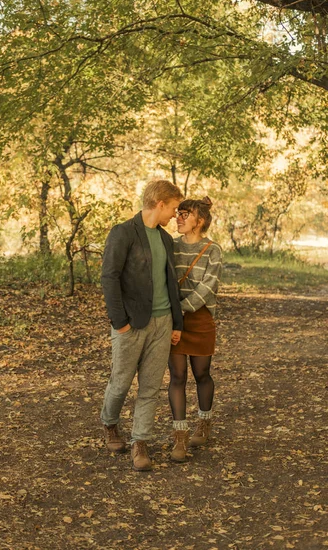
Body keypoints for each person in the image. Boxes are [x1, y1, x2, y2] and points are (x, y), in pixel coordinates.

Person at [100, 180, 184, 471]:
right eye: (173, 208)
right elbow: (109, 278)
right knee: (121, 383)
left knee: (150, 388)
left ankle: (140, 443)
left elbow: (170, 282)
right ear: (160, 204)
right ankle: (110, 424)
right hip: (131, 324)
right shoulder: (123, 233)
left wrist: (177, 322)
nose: (175, 215)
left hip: (163, 324)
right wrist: (119, 322)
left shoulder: (165, 240)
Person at [168, 197, 223, 462]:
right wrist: (172, 315)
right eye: (177, 213)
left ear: (199, 220)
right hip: (174, 320)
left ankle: (204, 422)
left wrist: (181, 310)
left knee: (202, 374)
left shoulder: (213, 249)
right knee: (177, 377)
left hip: (199, 320)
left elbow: (207, 287)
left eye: (184, 214)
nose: (178, 217)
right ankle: (180, 437)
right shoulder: (171, 246)